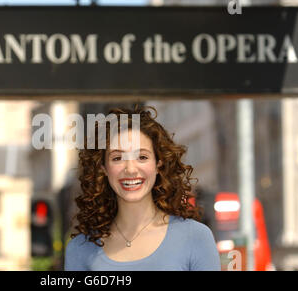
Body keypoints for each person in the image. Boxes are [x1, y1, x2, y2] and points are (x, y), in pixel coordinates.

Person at [64, 106, 220, 271]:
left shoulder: (195, 238)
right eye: (117, 158)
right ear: (103, 167)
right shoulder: (81, 249)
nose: (130, 169)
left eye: (142, 157)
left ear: (158, 164)